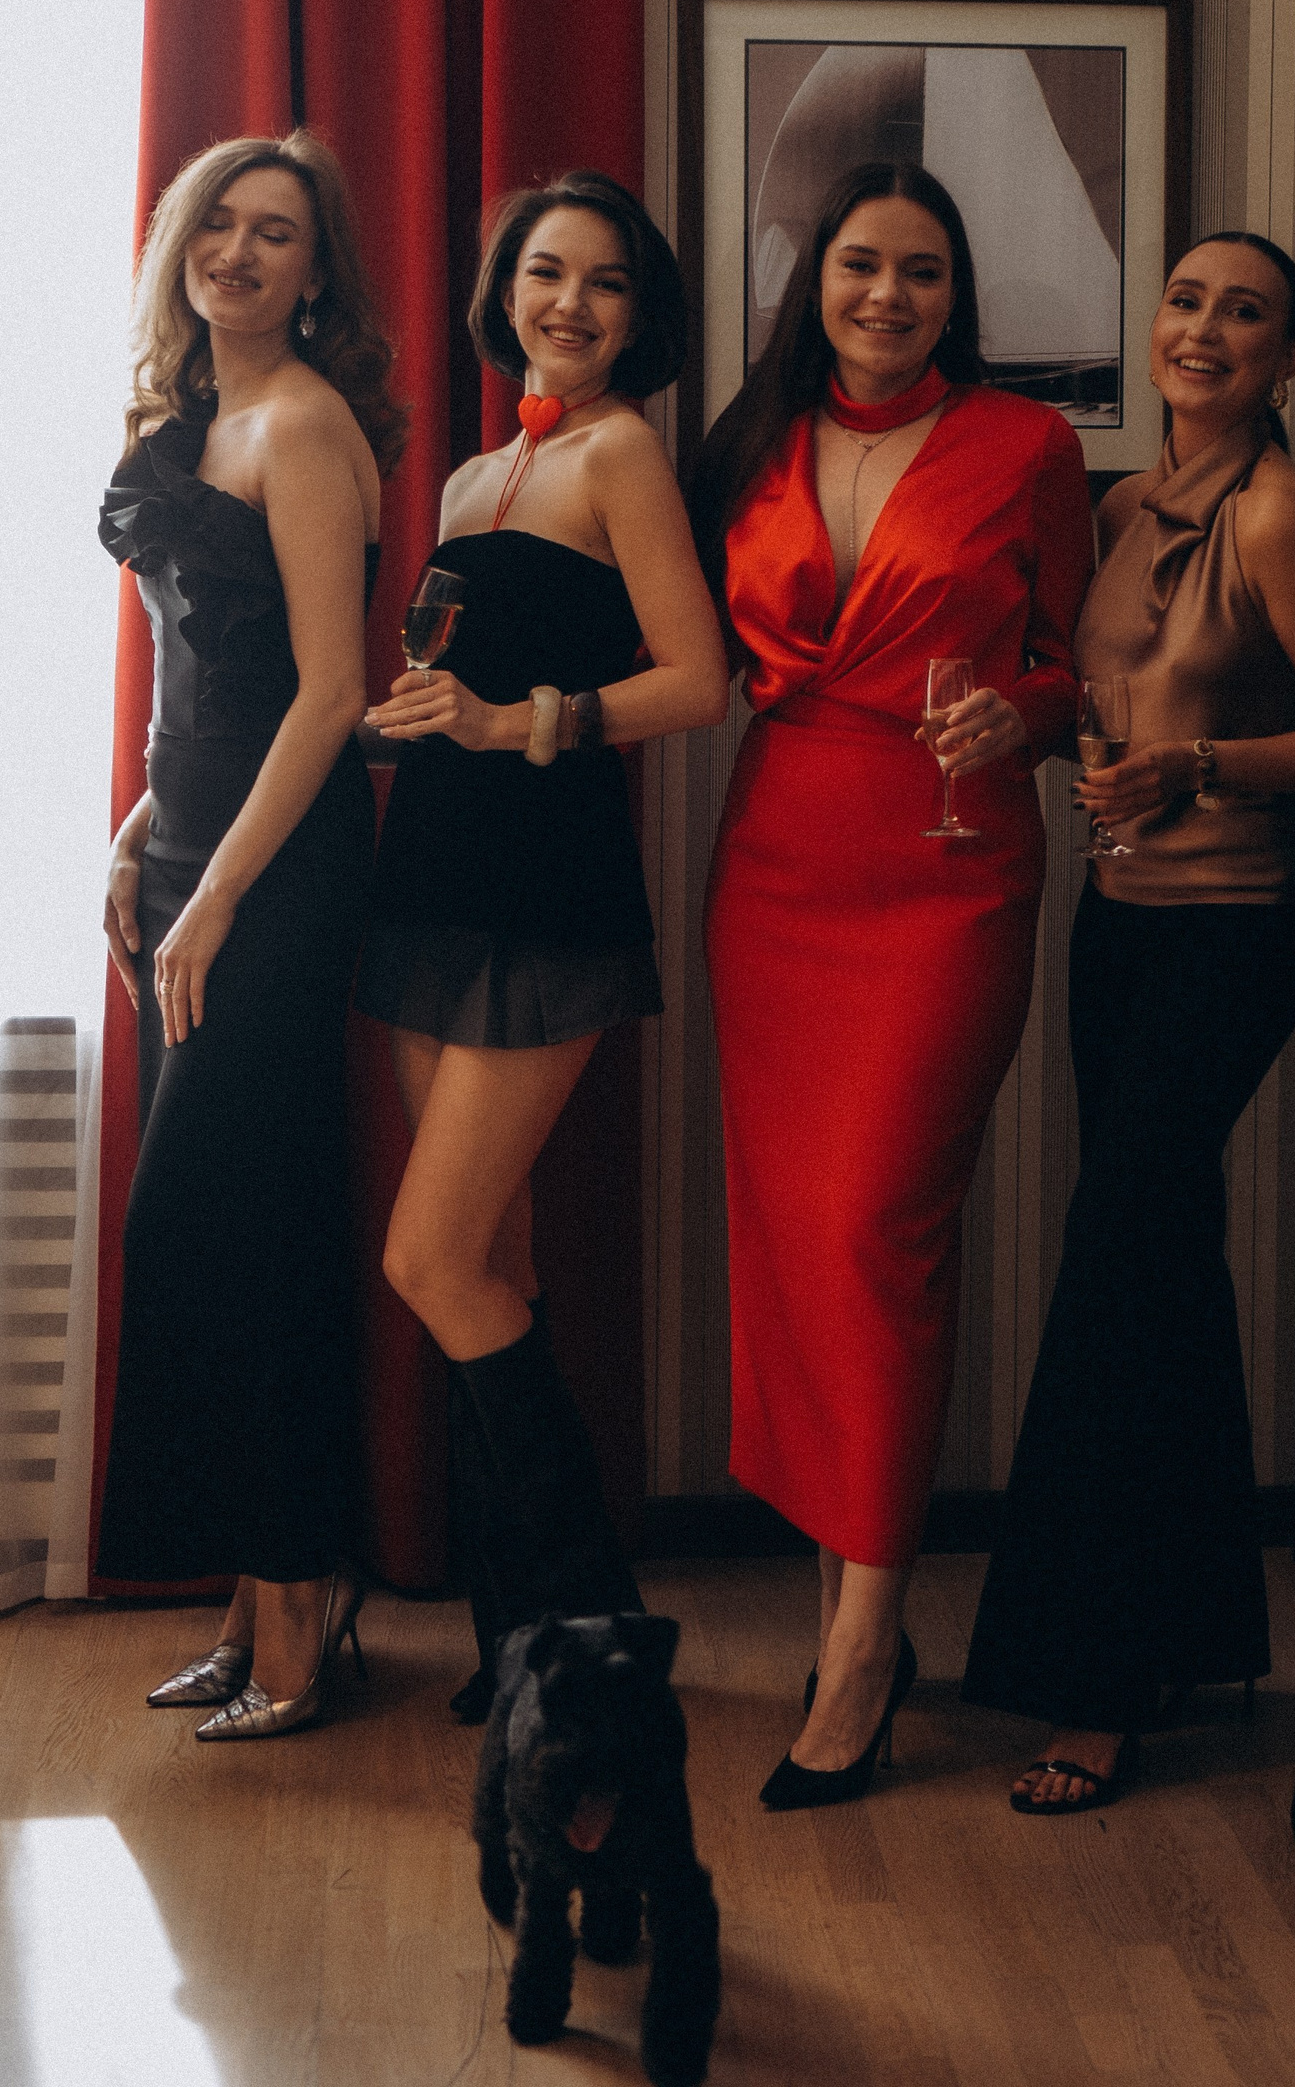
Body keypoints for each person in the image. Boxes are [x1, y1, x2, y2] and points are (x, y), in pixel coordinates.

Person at [962, 232, 1295, 1812]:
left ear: (1291, 358)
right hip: (1119, 918)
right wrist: (1024, 723)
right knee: (1161, 1251)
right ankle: (1199, 1629)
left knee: (1114, 1249)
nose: (1207, 328)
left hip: (1239, 925)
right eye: (1189, 301)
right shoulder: (1123, 503)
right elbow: (1099, 692)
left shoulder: (1278, 513)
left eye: (1247, 312)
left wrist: (1198, 769)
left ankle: (1093, 1675)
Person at [693, 161, 1093, 1810]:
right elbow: (679, 645)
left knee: (876, 1231)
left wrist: (1026, 716)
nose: (889, 295)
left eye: (923, 271)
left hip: (948, 868)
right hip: (777, 864)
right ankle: (845, 1608)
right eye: (863, 264)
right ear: (818, 279)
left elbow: (1081, 666)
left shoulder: (1027, 445)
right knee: (799, 1249)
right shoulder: (747, 444)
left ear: (956, 297)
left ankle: (864, 1649)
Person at [360, 172, 728, 1721]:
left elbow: (698, 679)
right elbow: (459, 684)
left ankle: (598, 1634)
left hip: (546, 891)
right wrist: (409, 724)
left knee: (429, 1260)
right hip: (429, 879)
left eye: (606, 282)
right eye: (545, 272)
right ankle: (524, 1637)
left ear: (642, 317)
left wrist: (520, 721)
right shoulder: (470, 477)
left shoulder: (619, 450)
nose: (569, 303)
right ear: (503, 289)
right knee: (494, 1264)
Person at [98, 132, 405, 1738]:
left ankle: (299, 1605)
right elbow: (205, 668)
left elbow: (334, 695)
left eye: (275, 232)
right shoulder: (186, 419)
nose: (238, 250)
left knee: (233, 1225)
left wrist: (216, 892)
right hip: (192, 858)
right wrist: (143, 831)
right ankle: (255, 1592)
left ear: (316, 270)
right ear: (181, 245)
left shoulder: (303, 425)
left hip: (275, 877)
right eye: (216, 223)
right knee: (219, 1229)